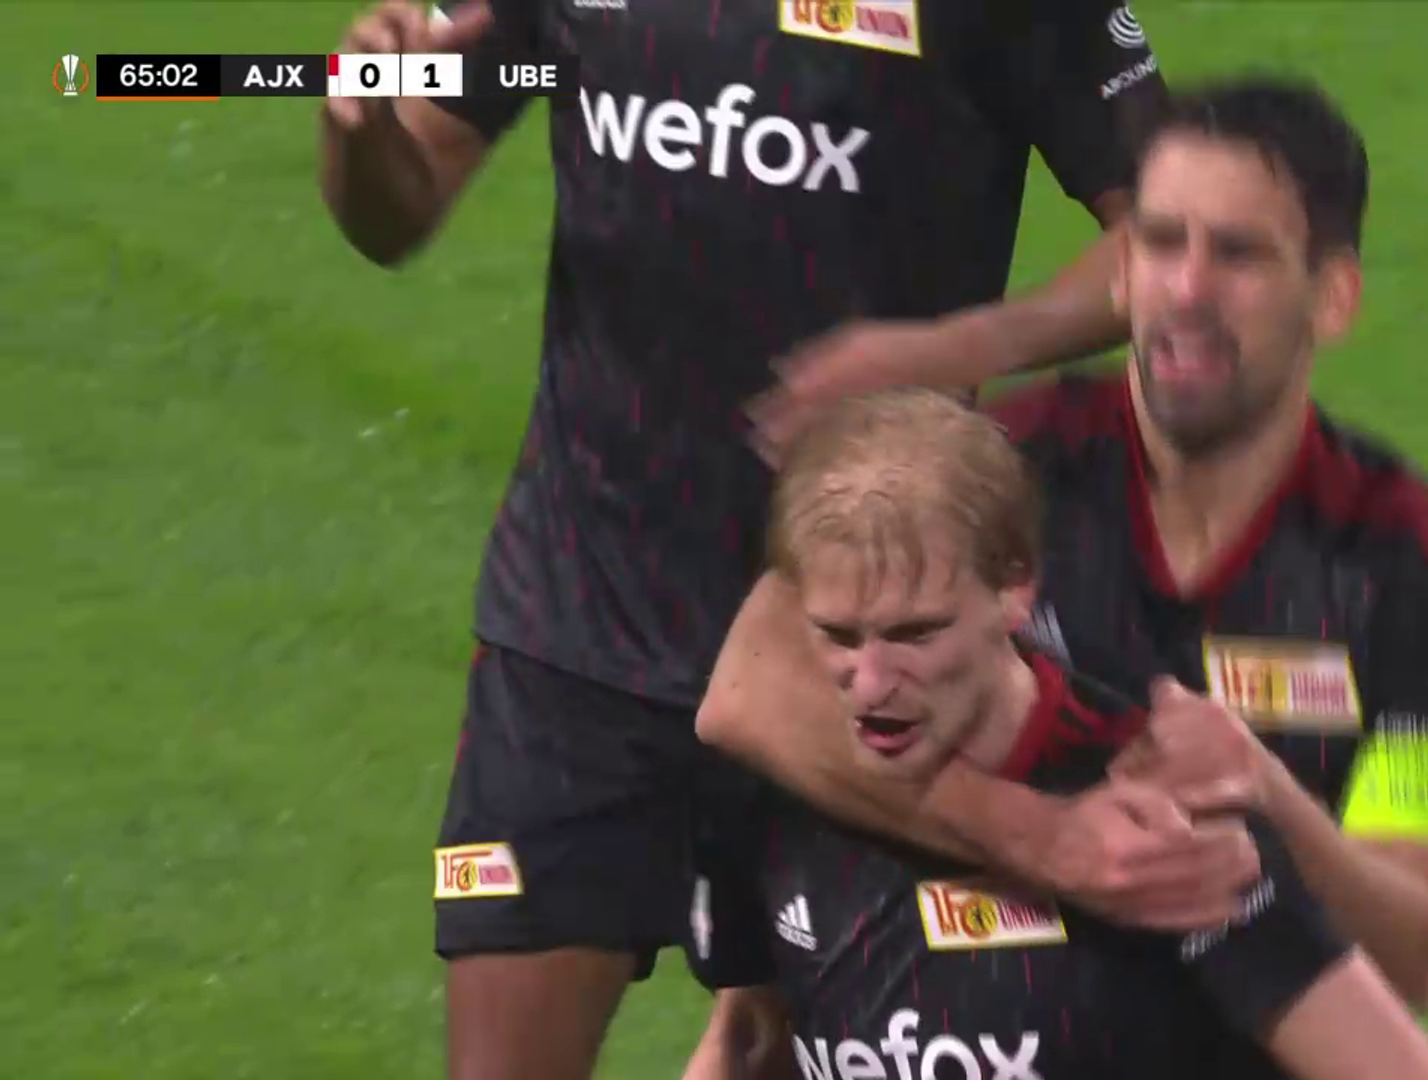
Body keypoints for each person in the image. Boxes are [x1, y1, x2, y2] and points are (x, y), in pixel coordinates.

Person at [317, 2, 1257, 1077]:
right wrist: (361, 129)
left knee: (787, 1047)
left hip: (867, 656)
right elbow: (395, 213)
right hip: (579, 629)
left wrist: (956, 347)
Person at [698, 75, 1428, 1013]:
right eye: (1160, 242)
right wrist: (1046, 840)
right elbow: (751, 685)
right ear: (1121, 272)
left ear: (1332, 297)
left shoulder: (1406, 559)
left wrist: (1270, 800)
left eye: (1238, 254)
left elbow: (1410, 957)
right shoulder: (991, 472)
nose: (1187, 290)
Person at [682, 389, 1428, 1080]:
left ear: (1015, 589)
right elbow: (750, 1036)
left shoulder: (1167, 829)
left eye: (916, 634)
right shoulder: (773, 785)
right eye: (838, 636)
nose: (872, 683)